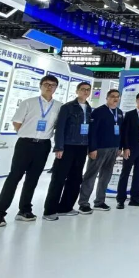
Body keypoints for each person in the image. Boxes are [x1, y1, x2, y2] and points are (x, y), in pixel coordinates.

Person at [0, 75, 61, 227]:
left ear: (56, 88)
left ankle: (24, 210)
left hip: (43, 145)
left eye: (53, 85)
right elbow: (17, 123)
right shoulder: (28, 103)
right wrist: (28, 134)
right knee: (14, 177)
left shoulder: (58, 106)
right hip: (25, 144)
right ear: (40, 85)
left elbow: (57, 126)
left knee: (33, 179)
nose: (49, 87)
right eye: (46, 84)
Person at [43, 81, 92, 221]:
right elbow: (60, 128)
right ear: (77, 91)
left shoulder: (89, 109)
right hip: (68, 146)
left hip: (82, 147)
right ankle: (50, 210)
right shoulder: (67, 107)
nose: (86, 92)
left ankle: (65, 207)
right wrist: (59, 147)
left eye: (88, 89)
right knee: (58, 178)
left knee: (75, 178)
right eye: (83, 89)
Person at [78, 89, 123, 215]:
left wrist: (119, 147)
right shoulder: (98, 111)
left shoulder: (119, 113)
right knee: (91, 175)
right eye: (112, 96)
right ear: (107, 98)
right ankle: (83, 203)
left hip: (113, 149)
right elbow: (92, 131)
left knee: (106, 176)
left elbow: (121, 131)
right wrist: (92, 148)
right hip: (99, 149)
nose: (115, 99)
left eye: (117, 97)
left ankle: (99, 201)